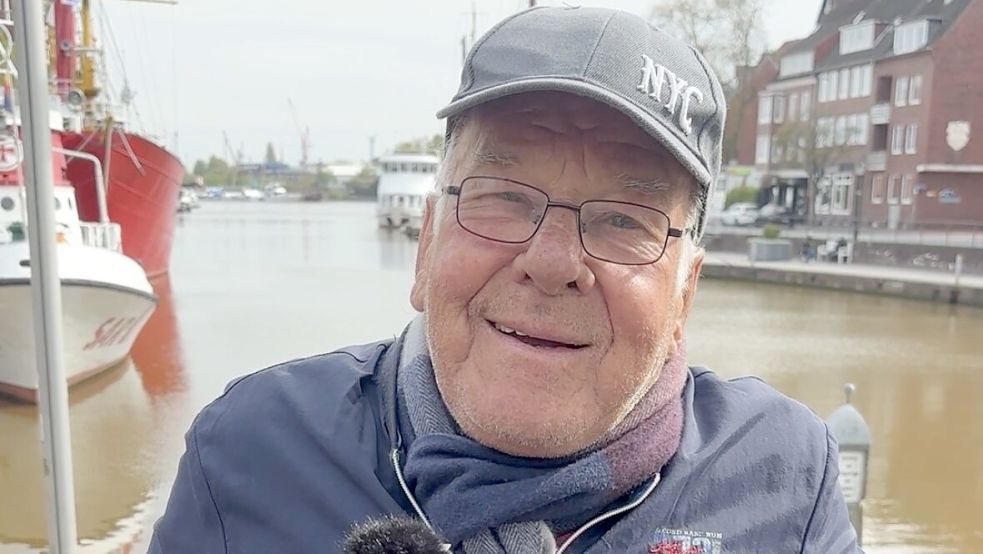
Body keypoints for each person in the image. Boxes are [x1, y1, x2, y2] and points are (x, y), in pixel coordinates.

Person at [150, 7, 861, 553]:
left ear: (685, 295)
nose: (552, 263)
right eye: (502, 196)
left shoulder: (783, 476)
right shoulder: (250, 450)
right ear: (426, 245)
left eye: (622, 220)